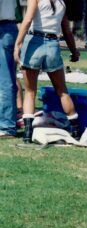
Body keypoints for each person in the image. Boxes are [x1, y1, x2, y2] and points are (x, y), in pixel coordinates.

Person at [14, 0, 81, 143]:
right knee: (62, 91)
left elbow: (27, 20)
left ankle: (27, 134)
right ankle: (76, 130)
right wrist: (74, 51)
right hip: (53, 44)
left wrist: (18, 44)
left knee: (30, 92)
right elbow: (67, 31)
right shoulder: (62, 2)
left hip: (34, 42)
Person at [0, 0, 18, 138]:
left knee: (5, 80)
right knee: (7, 79)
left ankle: (6, 126)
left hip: (3, 28)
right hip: (8, 27)